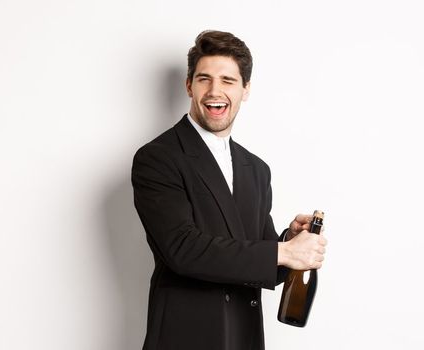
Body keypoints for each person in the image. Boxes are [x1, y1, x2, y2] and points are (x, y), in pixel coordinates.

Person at [131, 30, 328, 350]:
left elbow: (263, 266)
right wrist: (283, 253)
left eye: (228, 80)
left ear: (245, 89)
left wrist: (287, 244)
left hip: (243, 337)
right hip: (186, 337)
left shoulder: (257, 169)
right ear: (189, 85)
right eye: (204, 79)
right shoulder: (158, 158)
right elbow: (183, 250)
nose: (214, 91)